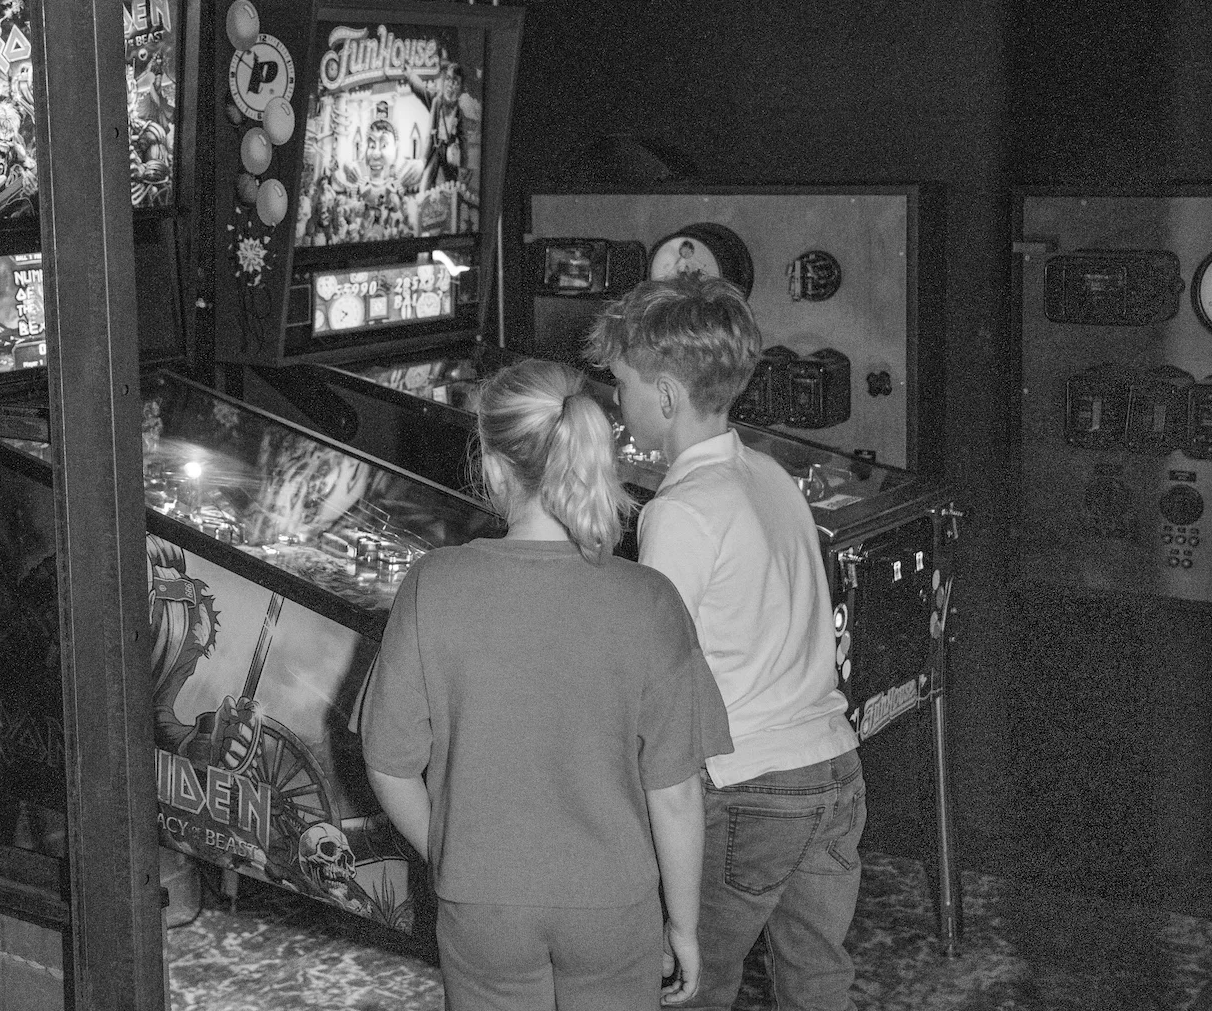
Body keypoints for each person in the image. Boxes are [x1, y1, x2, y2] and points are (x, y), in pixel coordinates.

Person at [362, 358, 732, 1011]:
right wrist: (683, 925)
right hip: (614, 903)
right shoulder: (649, 600)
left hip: (482, 902)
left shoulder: (434, 583)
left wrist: (451, 856)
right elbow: (675, 796)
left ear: (496, 466)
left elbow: (388, 763)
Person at [587, 274, 865, 1011]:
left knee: (694, 982)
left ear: (667, 397)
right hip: (832, 770)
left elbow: (658, 674)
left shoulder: (680, 509)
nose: (619, 403)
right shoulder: (770, 475)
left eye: (623, 386)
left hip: (749, 787)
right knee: (816, 977)